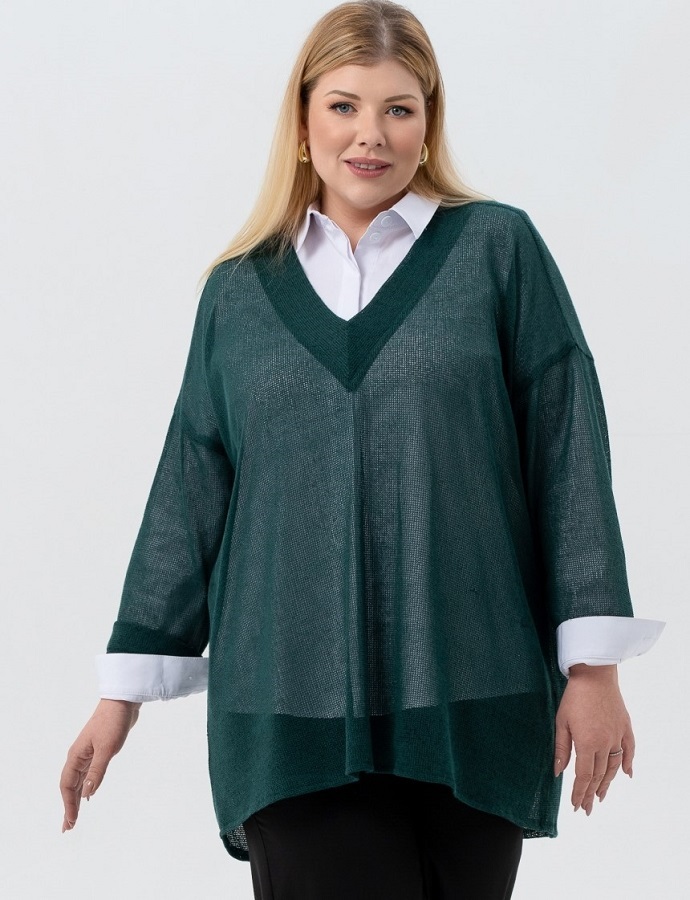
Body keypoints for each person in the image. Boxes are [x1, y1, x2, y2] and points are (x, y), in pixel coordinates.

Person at [60, 2, 665, 897]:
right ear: (303, 124)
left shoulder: (497, 251)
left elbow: (567, 451)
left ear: (428, 124)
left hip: (473, 697)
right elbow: (190, 492)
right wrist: (122, 696)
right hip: (288, 710)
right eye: (343, 106)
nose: (369, 134)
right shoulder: (238, 292)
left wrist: (595, 669)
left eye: (398, 109)